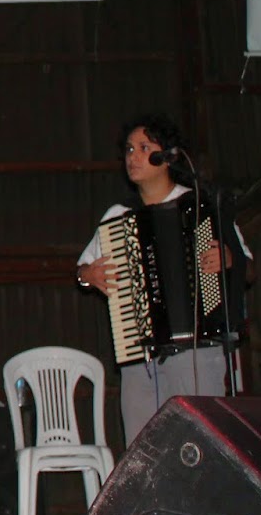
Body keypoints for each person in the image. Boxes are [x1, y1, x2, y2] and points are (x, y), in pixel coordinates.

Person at [76, 113, 250, 445]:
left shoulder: (202, 205)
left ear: (167, 157)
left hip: (197, 349)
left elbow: (249, 267)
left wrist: (228, 259)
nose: (133, 157)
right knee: (143, 450)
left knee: (199, 446)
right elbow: (82, 270)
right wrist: (88, 276)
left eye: (144, 148)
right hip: (140, 355)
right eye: (129, 149)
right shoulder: (119, 216)